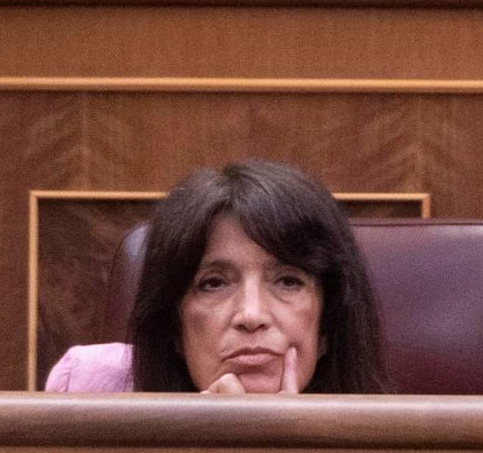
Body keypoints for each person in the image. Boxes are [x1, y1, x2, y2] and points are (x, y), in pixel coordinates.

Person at [45, 161, 387, 394]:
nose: (251, 316)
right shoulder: (91, 394)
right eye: (213, 283)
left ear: (327, 325)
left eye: (287, 281)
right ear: (173, 327)